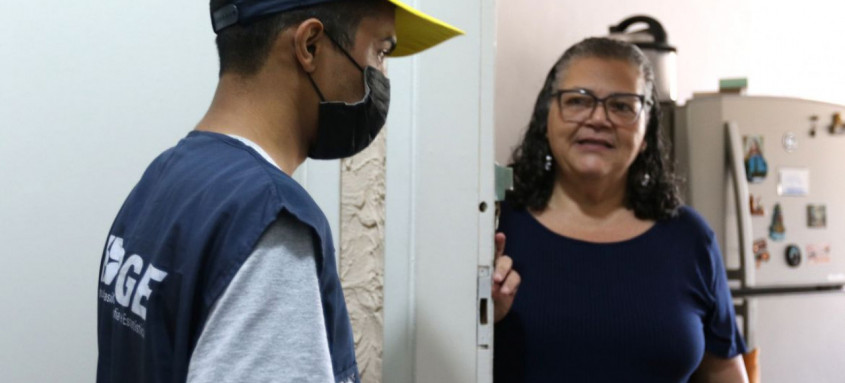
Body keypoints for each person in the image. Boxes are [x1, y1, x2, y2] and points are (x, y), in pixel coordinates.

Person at [95, 1, 462, 382]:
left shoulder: (163, 179)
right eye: (381, 52)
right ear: (310, 45)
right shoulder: (269, 223)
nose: (382, 74)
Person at [493, 38, 749, 382]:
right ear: (547, 118)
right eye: (578, 100)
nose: (598, 118)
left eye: (623, 106)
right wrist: (480, 319)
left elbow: (723, 372)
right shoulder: (496, 228)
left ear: (646, 132)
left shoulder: (689, 237)